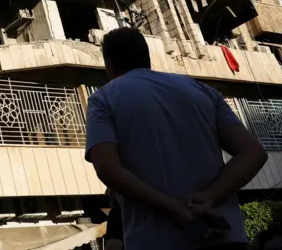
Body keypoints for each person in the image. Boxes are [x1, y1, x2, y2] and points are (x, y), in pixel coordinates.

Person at [85, 27, 268, 250]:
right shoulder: (202, 91)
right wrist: (209, 198)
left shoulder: (103, 98)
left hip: (155, 240)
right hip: (223, 236)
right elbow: (253, 153)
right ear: (147, 58)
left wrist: (176, 208)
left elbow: (107, 168)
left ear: (110, 64)